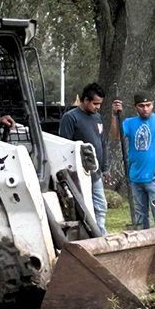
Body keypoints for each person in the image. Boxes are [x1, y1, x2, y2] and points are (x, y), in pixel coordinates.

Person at [110, 92, 155, 229]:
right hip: (135, 177)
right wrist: (114, 116)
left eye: (148, 105)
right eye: (141, 106)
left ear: (152, 104)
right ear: (135, 107)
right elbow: (116, 135)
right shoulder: (129, 123)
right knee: (139, 216)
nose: (145, 109)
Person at [58, 82, 109, 236]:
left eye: (99, 104)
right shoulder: (70, 118)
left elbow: (103, 143)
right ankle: (89, 234)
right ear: (85, 100)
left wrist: (105, 167)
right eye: (95, 103)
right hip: (79, 173)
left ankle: (100, 232)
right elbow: (64, 145)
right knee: (85, 206)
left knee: (101, 205)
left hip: (96, 171)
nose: (97, 107)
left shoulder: (97, 117)